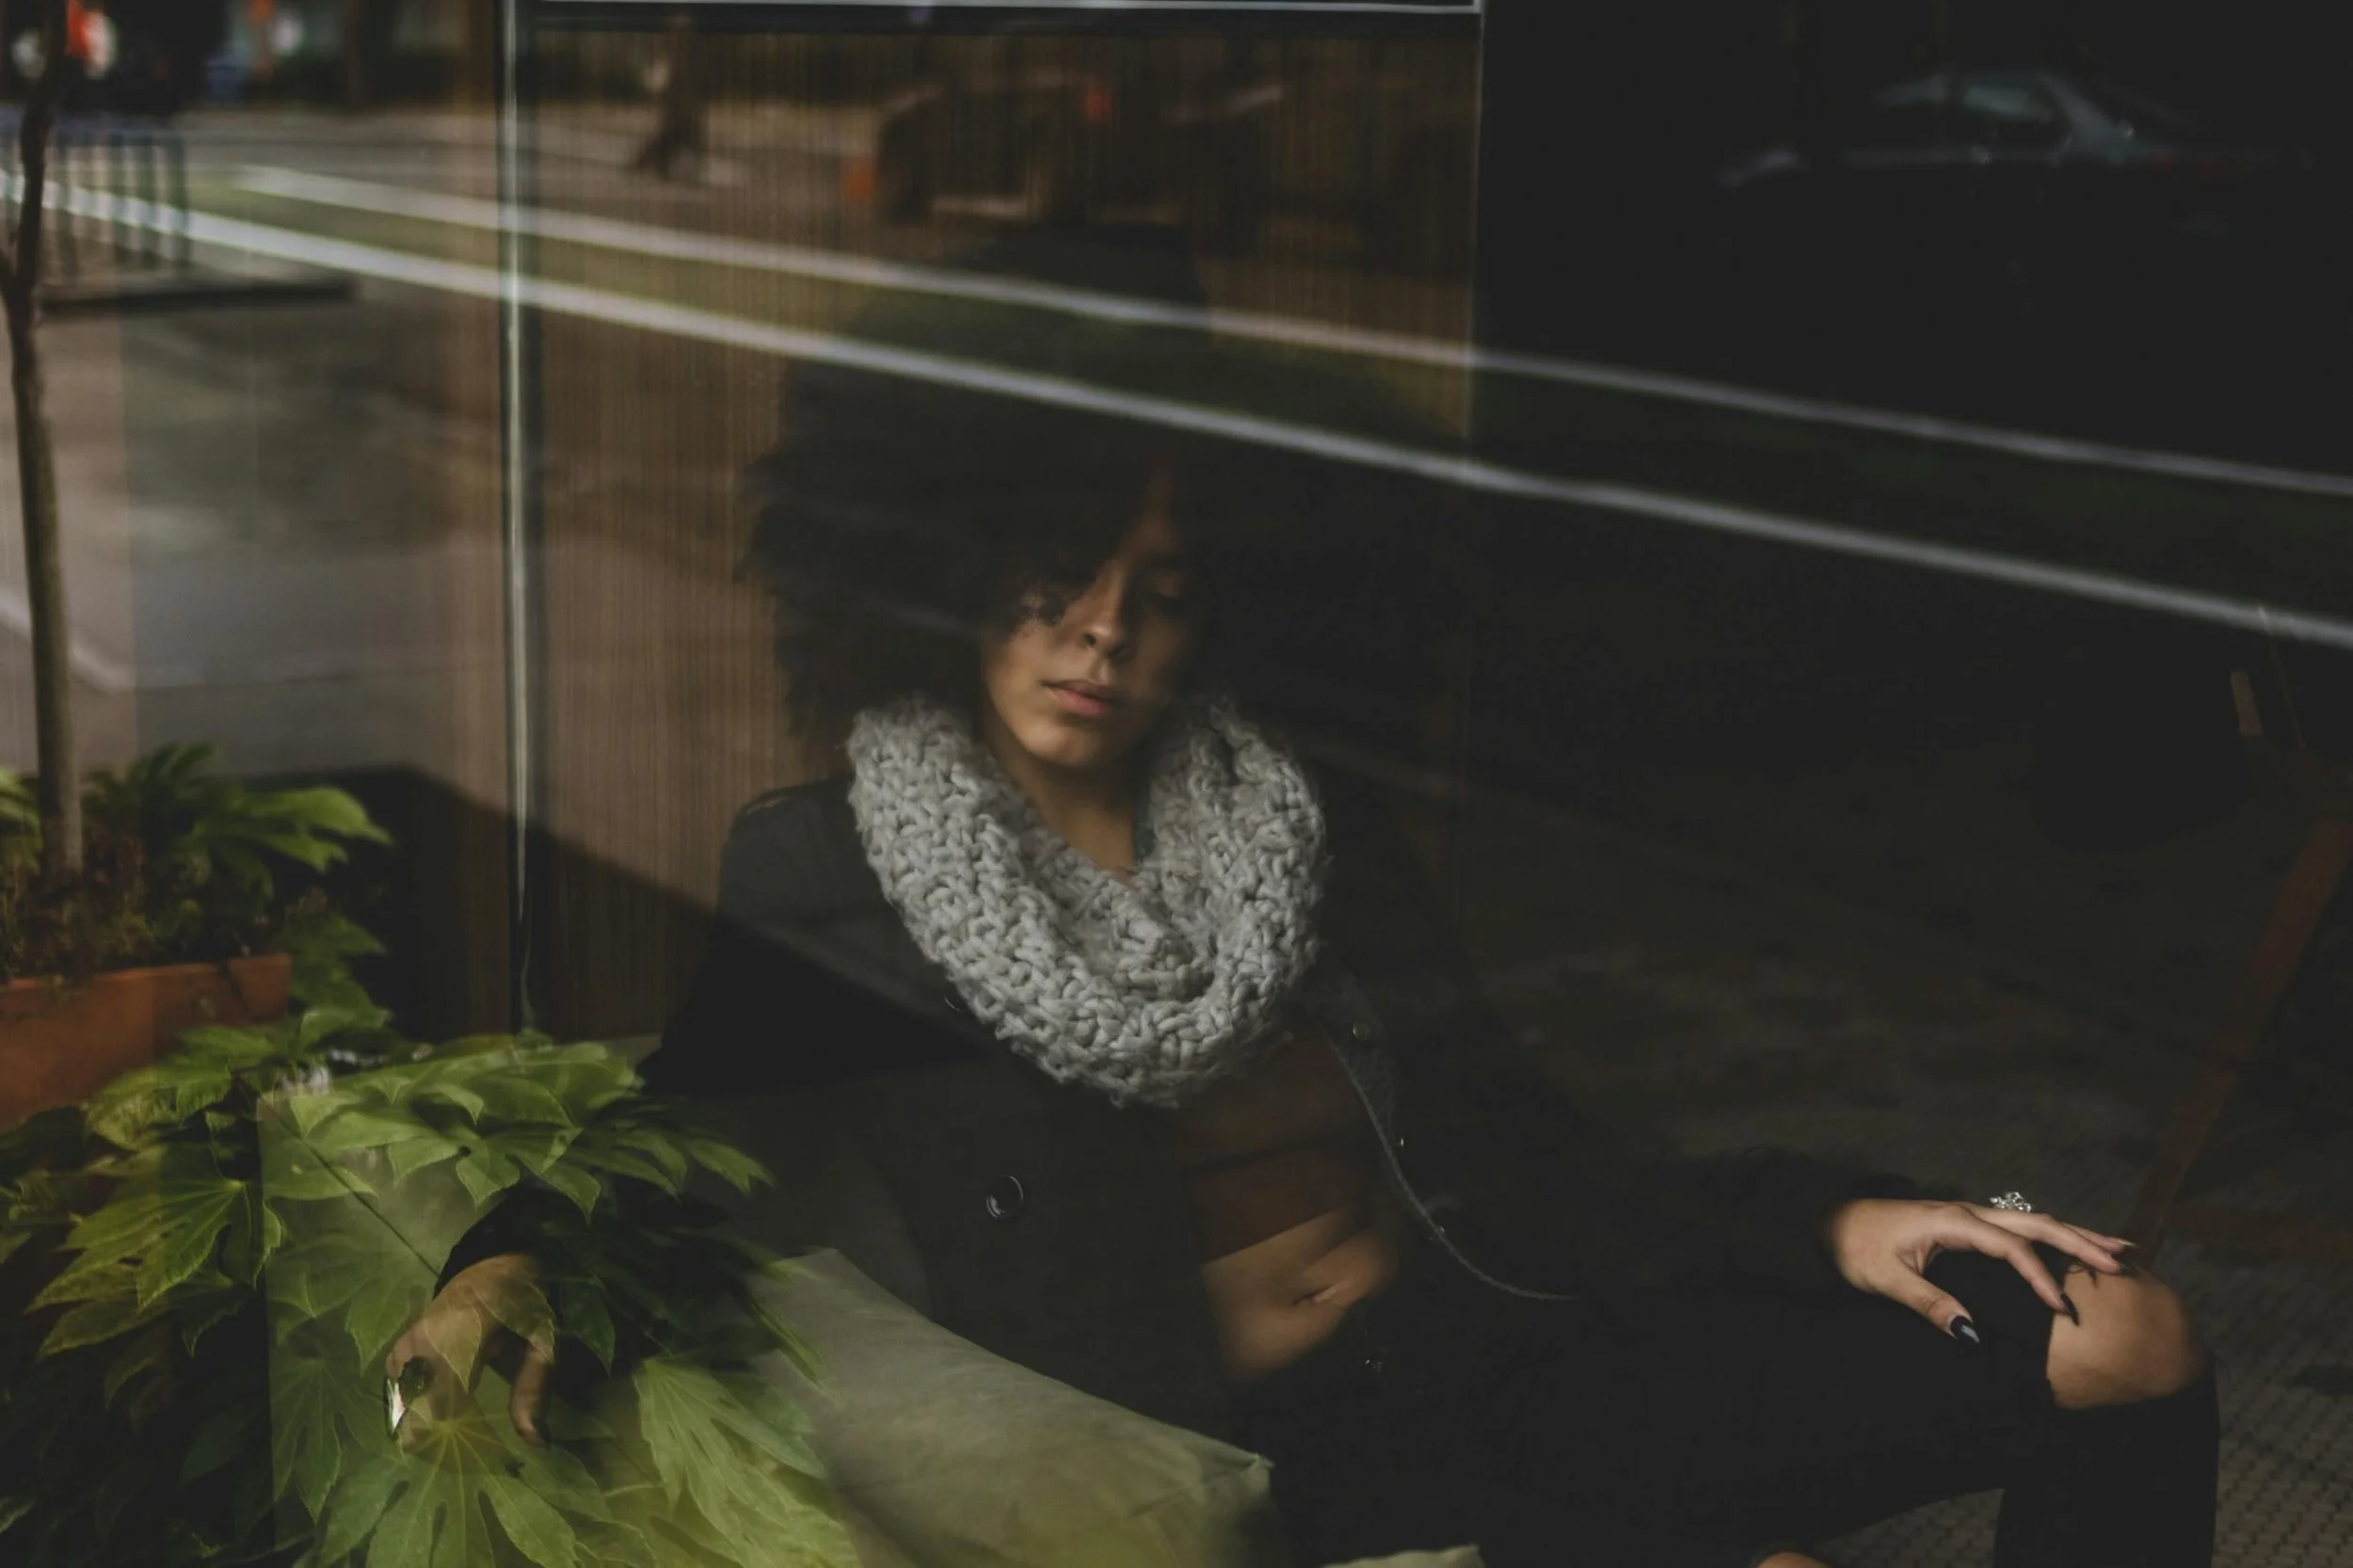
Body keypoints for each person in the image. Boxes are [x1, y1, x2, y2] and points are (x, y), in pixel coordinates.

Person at [393, 241, 2217, 1568]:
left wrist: (1828, 1214)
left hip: (1512, 1334)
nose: (1103, 627)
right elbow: (689, 1129)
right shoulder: (833, 865)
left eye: (1160, 588)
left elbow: (1521, 1133)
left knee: (2117, 1329)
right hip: (1305, 1452)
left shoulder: (1291, 818)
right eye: (1053, 575)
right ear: (944, 570)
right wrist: (496, 1254)